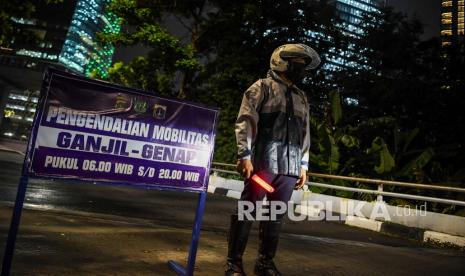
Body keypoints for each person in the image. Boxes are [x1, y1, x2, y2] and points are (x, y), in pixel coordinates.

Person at [225, 43, 321, 276]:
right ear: (281, 62)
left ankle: (265, 264)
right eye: (297, 65)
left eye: (303, 67)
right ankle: (234, 264)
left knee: (275, 215)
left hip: (289, 166)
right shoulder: (262, 87)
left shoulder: (301, 97)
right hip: (263, 162)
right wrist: (244, 155)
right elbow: (245, 121)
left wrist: (303, 165)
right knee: (248, 210)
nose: (301, 70)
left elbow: (305, 133)